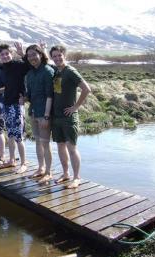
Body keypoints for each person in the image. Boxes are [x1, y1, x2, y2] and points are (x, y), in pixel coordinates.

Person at [49, 45, 91, 188]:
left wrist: (75, 107)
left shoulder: (70, 71)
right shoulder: (56, 71)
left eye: (59, 55)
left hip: (68, 117)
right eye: (54, 56)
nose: (57, 58)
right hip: (56, 116)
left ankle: (77, 177)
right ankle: (66, 173)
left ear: (64, 55)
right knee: (60, 146)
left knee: (71, 147)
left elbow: (86, 89)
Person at [0, 43, 30, 173]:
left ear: (11, 54)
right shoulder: (2, 67)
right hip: (7, 104)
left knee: (19, 136)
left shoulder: (18, 65)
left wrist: (22, 53)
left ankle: (24, 162)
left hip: (17, 104)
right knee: (10, 135)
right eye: (2, 54)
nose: (5, 56)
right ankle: (12, 160)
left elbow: (29, 65)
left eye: (7, 53)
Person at [25, 44, 54, 182]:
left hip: (44, 113)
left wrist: (47, 116)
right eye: (29, 56)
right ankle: (41, 168)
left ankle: (48, 172)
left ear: (41, 55)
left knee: (45, 143)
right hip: (33, 112)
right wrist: (23, 98)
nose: (32, 58)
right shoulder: (30, 74)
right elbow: (29, 95)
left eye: (34, 55)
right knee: (37, 141)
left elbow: (50, 95)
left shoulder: (48, 71)